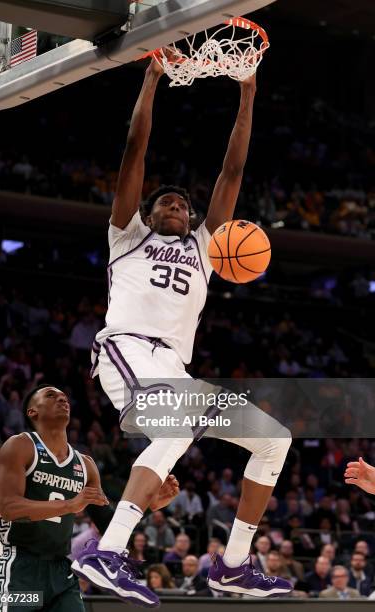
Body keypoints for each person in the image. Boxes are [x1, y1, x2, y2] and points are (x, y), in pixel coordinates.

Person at [72, 49, 292, 605]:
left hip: (174, 367)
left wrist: (247, 91)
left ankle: (234, 565)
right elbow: (134, 149)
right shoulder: (128, 237)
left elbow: (233, 170)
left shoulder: (205, 247)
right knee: (173, 429)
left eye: (182, 203)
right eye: (165, 201)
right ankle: (107, 550)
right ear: (146, 213)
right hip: (127, 350)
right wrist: (149, 79)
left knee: (273, 441)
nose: (175, 203)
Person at [0, 384, 108, 612]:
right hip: (21, 568)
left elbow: (109, 522)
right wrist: (70, 505)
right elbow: (8, 507)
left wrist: (148, 503)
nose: (62, 400)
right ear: (32, 411)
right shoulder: (20, 445)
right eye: (51, 396)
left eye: (65, 397)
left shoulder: (86, 464)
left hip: (61, 572)